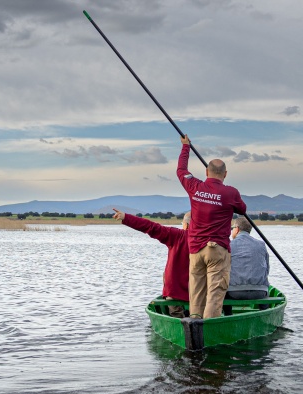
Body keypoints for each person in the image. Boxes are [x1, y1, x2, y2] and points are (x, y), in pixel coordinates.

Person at [176, 134, 246, 320]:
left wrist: (185, 147)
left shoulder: (194, 186)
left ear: (206, 172)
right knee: (215, 295)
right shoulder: (231, 192)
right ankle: (208, 329)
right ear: (225, 174)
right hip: (217, 249)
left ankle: (194, 324)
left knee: (196, 293)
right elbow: (242, 209)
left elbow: (181, 170)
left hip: (195, 250)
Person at [112, 208, 190, 304]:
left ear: (186, 225)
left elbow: (151, 226)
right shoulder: (205, 239)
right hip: (199, 296)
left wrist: (126, 217)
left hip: (175, 294)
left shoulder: (178, 236)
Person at [226, 215, 270, 300]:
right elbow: (267, 269)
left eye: (232, 228)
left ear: (237, 229)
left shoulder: (229, 245)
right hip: (260, 292)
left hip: (234, 292)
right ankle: (264, 307)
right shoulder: (261, 244)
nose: (232, 231)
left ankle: (228, 309)